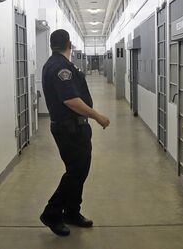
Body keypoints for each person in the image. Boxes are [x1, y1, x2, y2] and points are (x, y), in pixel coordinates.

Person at [39, 29, 110, 236]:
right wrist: (97, 116)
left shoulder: (52, 64)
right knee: (77, 172)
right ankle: (52, 212)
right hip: (70, 129)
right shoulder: (61, 67)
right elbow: (70, 100)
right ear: (69, 44)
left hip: (71, 127)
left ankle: (71, 211)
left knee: (77, 170)